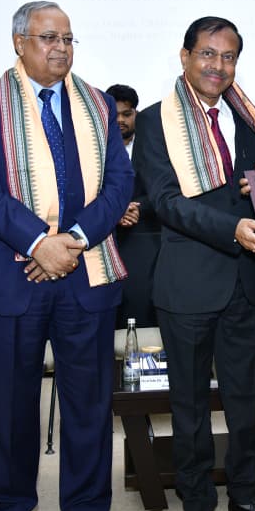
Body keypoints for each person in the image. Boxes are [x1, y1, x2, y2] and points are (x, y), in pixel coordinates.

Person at [0, 1, 133, 511]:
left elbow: (119, 184)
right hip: (13, 276)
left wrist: (72, 241)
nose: (61, 48)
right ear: (19, 43)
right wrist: (39, 242)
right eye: (48, 38)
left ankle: (87, 508)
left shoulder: (97, 103)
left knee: (89, 401)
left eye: (68, 38)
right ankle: (9, 510)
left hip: (85, 272)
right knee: (10, 403)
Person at [132, 16, 255, 511]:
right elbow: (165, 201)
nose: (218, 66)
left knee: (246, 404)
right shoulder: (155, 121)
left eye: (228, 56)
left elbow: (250, 189)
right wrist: (232, 229)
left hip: (245, 281)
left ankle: (247, 498)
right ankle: (197, 507)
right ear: (185, 56)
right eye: (207, 54)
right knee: (190, 407)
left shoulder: (247, 118)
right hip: (188, 283)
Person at [106, 84, 159, 328]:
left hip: (148, 240)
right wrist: (116, 211)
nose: (120, 121)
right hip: (108, 239)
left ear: (136, 113)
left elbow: (165, 188)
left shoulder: (153, 146)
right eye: (114, 115)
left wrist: (138, 208)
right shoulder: (94, 150)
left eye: (126, 114)